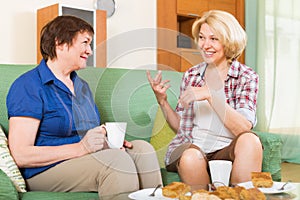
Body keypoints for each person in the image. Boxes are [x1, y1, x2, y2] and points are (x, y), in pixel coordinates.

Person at [6, 15, 162, 198]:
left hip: (82, 159)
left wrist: (108, 143)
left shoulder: (82, 87)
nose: (89, 51)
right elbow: (21, 155)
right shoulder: (29, 85)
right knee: (116, 161)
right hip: (44, 170)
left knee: (142, 150)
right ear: (60, 43)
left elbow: (88, 134)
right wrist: (80, 148)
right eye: (85, 42)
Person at [147, 10, 263, 188]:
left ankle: (241, 194)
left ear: (229, 41)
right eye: (201, 37)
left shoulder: (245, 76)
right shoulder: (192, 76)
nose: (205, 45)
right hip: (192, 148)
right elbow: (181, 126)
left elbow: (243, 128)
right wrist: (162, 101)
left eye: (214, 39)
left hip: (225, 150)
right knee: (191, 157)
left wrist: (211, 95)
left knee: (251, 141)